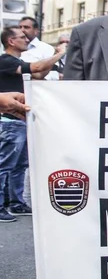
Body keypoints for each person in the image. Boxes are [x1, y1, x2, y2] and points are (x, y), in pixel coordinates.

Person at [0, 26, 65, 223]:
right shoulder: (5, 60)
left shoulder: (17, 62)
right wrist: (61, 53)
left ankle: (15, 202)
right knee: (4, 165)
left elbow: (38, 75)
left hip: (19, 119)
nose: (26, 39)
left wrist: (54, 62)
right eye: (22, 37)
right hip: (9, 122)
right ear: (11, 41)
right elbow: (36, 68)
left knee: (20, 165)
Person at [19, 16, 59, 80]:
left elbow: (53, 74)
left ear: (36, 31)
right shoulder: (14, 48)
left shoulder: (46, 48)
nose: (22, 30)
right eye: (20, 27)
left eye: (26, 27)